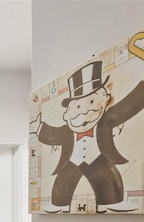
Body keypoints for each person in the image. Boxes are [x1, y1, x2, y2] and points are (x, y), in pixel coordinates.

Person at [29, 61, 144, 213]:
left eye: (90, 101)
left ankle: (111, 201)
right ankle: (59, 203)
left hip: (98, 157)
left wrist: (140, 93)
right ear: (69, 109)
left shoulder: (106, 121)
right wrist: (39, 127)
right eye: (77, 107)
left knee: (108, 177)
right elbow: (53, 134)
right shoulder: (67, 130)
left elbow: (125, 108)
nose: (82, 112)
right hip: (72, 161)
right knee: (63, 182)